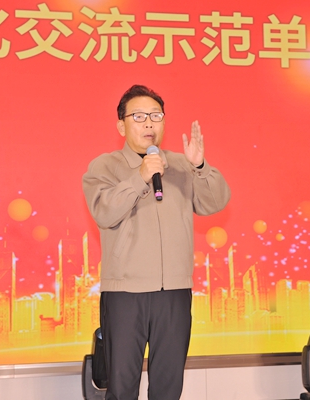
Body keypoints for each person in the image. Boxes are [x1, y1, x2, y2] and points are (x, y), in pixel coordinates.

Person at [82, 84, 231, 400]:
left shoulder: (180, 165)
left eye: (156, 116)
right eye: (139, 116)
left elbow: (215, 202)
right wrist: (140, 176)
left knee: (168, 386)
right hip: (125, 294)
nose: (149, 123)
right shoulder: (104, 166)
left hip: (174, 292)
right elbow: (104, 212)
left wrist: (200, 166)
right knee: (122, 387)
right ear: (121, 125)